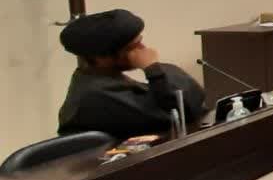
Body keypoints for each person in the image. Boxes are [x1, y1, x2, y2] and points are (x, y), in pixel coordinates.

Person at [57, 9, 206, 139]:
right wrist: (153, 69)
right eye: (133, 47)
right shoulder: (94, 96)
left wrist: (156, 71)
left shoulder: (105, 78)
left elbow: (195, 99)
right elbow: (178, 116)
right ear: (101, 58)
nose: (143, 49)